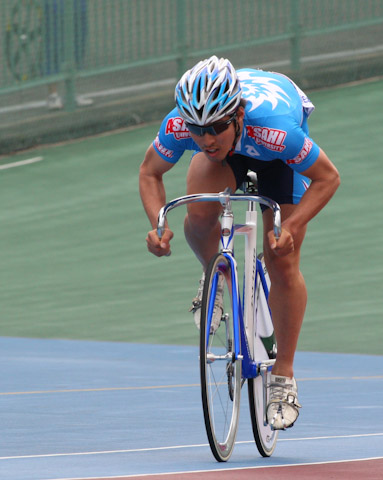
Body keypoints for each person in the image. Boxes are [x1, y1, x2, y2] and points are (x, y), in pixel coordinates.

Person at [139, 56, 340, 430]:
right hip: (234, 155)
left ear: (238, 114)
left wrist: (291, 226)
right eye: (197, 129)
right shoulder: (182, 125)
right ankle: (214, 277)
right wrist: (158, 224)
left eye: (215, 127)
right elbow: (150, 172)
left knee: (282, 258)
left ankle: (283, 374)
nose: (206, 138)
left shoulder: (279, 132)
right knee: (198, 214)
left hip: (276, 157)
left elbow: (328, 178)